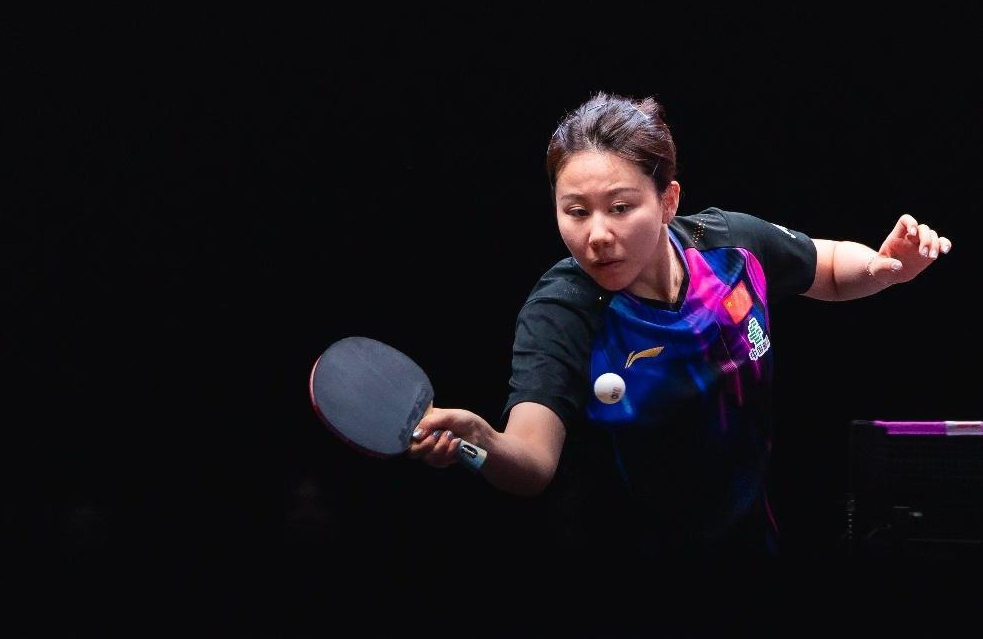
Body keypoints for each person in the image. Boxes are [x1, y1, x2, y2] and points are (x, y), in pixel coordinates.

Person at [408, 91, 952, 558]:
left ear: (668, 201)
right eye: (576, 211)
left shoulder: (729, 248)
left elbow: (828, 267)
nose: (597, 235)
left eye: (620, 207)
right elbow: (532, 462)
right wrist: (482, 441)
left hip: (749, 550)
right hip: (620, 583)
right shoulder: (563, 310)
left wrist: (883, 269)